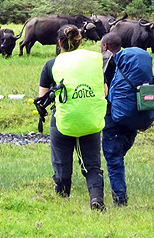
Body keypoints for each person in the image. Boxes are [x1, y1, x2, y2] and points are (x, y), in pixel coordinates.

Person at [39, 25, 106, 210]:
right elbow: (105, 90)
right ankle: (96, 199)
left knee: (61, 162)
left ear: (59, 43)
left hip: (62, 121)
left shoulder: (51, 64)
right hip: (90, 119)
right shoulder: (93, 62)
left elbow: (42, 98)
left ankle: (63, 202)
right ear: (81, 41)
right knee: (92, 164)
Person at [100, 32, 153, 206]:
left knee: (114, 161)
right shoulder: (131, 65)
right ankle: (119, 193)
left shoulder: (107, 66)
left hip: (113, 120)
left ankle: (120, 200)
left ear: (105, 46)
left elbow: (104, 92)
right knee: (118, 157)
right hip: (132, 119)